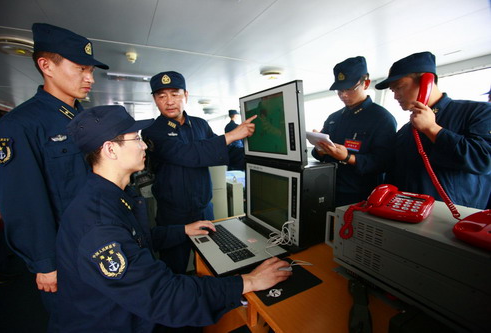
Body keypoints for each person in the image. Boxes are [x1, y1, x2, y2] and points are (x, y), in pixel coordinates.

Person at [57, 105, 290, 332]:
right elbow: (162, 296)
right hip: (119, 322)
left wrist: (183, 230)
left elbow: (136, 240)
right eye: (136, 139)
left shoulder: (110, 196)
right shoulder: (98, 224)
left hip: (129, 310)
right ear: (110, 150)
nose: (144, 147)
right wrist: (248, 282)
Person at [0, 23, 109, 329]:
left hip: (103, 242)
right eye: (81, 68)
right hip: (66, 257)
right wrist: (44, 263)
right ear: (46, 66)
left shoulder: (87, 119)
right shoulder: (20, 125)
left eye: (91, 70)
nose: (90, 78)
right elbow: (22, 202)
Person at [142, 71, 256, 274]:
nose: (169, 101)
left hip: (204, 210)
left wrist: (257, 160)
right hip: (173, 216)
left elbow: (226, 153)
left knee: (210, 264)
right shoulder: (153, 131)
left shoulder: (201, 124)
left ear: (185, 95)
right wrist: (230, 135)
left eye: (175, 94)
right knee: (173, 269)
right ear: (155, 100)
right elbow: (187, 154)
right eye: (162, 96)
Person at [375, 51, 491, 209]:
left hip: (454, 218)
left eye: (399, 87)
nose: (396, 96)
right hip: (407, 214)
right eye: (393, 91)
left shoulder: (478, 112)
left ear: (426, 82)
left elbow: (483, 160)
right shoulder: (405, 131)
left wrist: (433, 129)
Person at [311, 56, 397, 207]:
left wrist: (347, 157)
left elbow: (383, 163)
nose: (343, 95)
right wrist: (320, 148)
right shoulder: (334, 118)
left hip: (359, 197)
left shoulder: (382, 119)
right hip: (327, 190)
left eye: (350, 89)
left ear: (366, 83)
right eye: (339, 90)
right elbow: (317, 155)